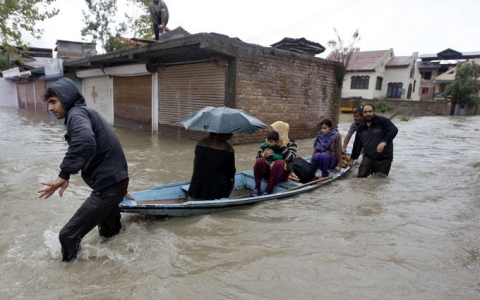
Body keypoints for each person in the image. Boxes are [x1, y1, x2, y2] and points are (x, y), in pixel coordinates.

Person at [37, 78, 129, 262]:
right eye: (49, 103)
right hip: (116, 183)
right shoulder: (85, 113)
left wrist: (64, 174)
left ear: (66, 98)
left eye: (53, 102)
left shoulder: (76, 114)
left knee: (67, 236)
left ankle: (70, 279)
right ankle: (120, 269)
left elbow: (86, 141)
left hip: (109, 187)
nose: (51, 108)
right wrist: (121, 185)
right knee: (109, 235)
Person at [348, 104, 399, 177]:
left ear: (374, 112)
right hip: (368, 157)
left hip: (384, 159)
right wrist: (352, 159)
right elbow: (357, 144)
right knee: (360, 178)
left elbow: (394, 130)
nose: (368, 114)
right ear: (362, 114)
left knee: (379, 181)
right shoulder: (361, 128)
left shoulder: (383, 121)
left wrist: (384, 142)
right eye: (365, 112)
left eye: (370, 111)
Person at [251, 121, 298, 197]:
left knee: (279, 162)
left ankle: (268, 190)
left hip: (281, 173)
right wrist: (263, 155)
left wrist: (282, 146)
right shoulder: (268, 142)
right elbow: (257, 157)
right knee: (260, 161)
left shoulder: (291, 143)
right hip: (267, 172)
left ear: (282, 132)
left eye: (276, 131)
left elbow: (291, 159)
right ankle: (257, 188)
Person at [188, 132, 236, 200]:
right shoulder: (228, 149)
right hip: (215, 191)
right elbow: (231, 172)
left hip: (196, 189)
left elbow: (195, 163)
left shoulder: (200, 143)